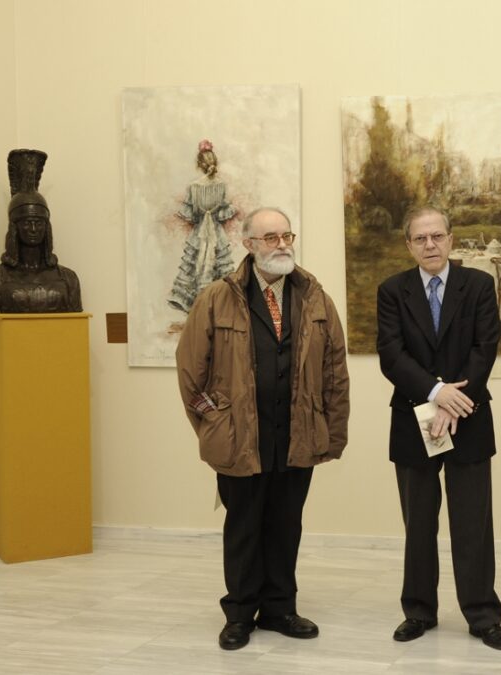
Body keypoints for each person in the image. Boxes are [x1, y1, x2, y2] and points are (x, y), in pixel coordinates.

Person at [175, 207, 350, 651]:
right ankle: (239, 614)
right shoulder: (216, 297)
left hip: (297, 435)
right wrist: (212, 420)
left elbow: (335, 372)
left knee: (286, 525)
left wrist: (333, 432)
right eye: (270, 237)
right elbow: (190, 370)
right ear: (249, 245)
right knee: (244, 526)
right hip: (239, 438)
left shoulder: (314, 298)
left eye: (286, 235)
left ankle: (279, 608)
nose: (282, 244)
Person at [376, 206, 501, 651]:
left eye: (437, 236)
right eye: (421, 239)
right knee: (418, 523)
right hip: (413, 418)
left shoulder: (476, 286)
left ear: (452, 240)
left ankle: (482, 615)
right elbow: (391, 356)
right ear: (409, 246)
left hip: (469, 417)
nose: (430, 245)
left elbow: (485, 347)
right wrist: (437, 393)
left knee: (473, 523)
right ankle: (418, 612)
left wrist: (455, 402)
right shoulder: (392, 291)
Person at [0, 149, 82, 313]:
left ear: (47, 226)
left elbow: (74, 326)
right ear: (15, 227)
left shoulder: (68, 278)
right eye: (27, 223)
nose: (34, 229)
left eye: (39, 223)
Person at [169, 139, 237, 313]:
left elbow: (190, 215)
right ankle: (215, 308)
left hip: (199, 233)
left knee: (195, 268)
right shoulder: (221, 186)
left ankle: (199, 309)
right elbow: (223, 213)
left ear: (199, 164)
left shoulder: (194, 186)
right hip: (216, 233)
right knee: (218, 267)